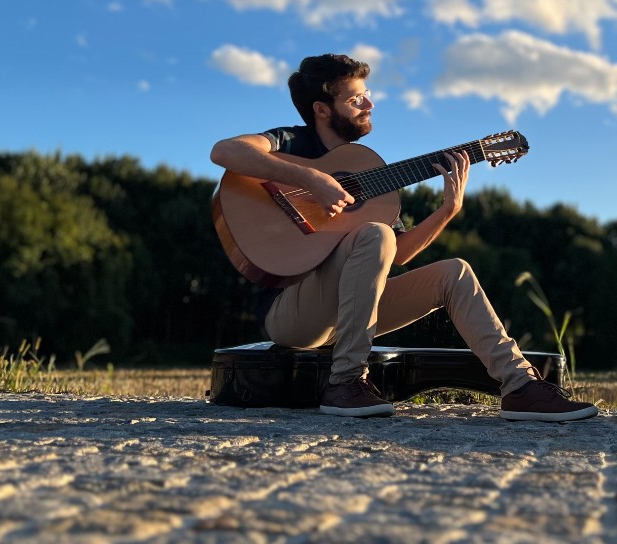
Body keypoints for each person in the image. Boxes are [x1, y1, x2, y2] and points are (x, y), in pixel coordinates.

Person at [210, 53, 597, 422]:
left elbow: (399, 254)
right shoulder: (294, 142)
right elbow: (225, 151)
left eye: (368, 94)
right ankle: (346, 383)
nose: (369, 103)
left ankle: (521, 386)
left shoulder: (364, 168)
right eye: (356, 97)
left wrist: (448, 210)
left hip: (348, 312)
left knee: (454, 272)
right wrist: (313, 179)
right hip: (291, 314)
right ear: (322, 109)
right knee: (375, 233)